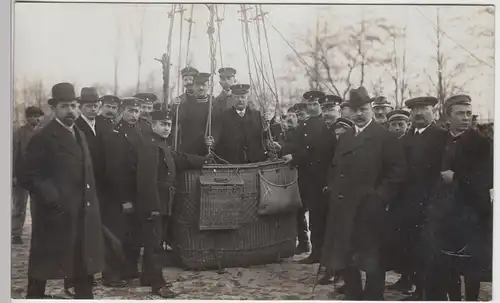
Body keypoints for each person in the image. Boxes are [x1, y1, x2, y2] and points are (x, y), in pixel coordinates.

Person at [19, 82, 105, 299]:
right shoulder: (43, 136)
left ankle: (85, 296)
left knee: (83, 262)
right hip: (55, 214)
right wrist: (54, 197)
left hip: (82, 212)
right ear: (54, 108)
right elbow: (28, 175)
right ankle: (34, 297)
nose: (71, 111)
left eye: (74, 106)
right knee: (43, 264)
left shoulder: (79, 134)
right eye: (65, 106)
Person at [320, 87, 406, 300]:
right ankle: (353, 293)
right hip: (344, 207)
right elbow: (335, 166)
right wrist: (333, 188)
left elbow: (397, 172)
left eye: (364, 109)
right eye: (355, 110)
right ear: (349, 111)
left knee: (371, 256)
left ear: (371, 110)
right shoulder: (345, 137)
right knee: (347, 254)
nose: (359, 114)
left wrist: (379, 198)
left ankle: (374, 295)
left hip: (370, 209)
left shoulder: (384, 137)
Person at [424, 95, 493, 301]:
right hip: (443, 212)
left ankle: (471, 299)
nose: (465, 118)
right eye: (460, 113)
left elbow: (487, 178)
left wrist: (457, 178)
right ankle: (453, 298)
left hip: (470, 212)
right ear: (448, 116)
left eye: (468, 113)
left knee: (471, 265)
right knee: (447, 262)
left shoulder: (482, 143)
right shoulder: (439, 140)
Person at [385, 97, 447, 299]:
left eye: (424, 109)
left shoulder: (441, 136)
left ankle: (431, 293)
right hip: (407, 203)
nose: (419, 113)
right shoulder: (407, 137)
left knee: (429, 251)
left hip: (431, 203)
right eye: (415, 110)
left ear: (433, 112)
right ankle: (417, 289)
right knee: (411, 247)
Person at [283, 90, 336, 265]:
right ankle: (315, 251)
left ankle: (320, 253)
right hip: (306, 176)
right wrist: (282, 148)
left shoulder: (324, 125)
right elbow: (297, 145)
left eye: (316, 105)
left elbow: (315, 150)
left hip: (320, 177)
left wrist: (295, 157)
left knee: (319, 216)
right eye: (310, 105)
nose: (313, 108)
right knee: (312, 215)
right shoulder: (305, 125)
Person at [101, 97, 145, 287]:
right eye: (130, 111)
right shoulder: (115, 135)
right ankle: (111, 275)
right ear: (121, 111)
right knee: (117, 235)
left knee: (133, 233)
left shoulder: (140, 132)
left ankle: (130, 269)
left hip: (137, 192)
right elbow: (115, 171)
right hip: (120, 194)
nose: (134, 115)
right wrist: (125, 199)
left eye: (137, 111)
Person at [210, 84, 276, 164]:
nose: (240, 100)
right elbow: (217, 138)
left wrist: (265, 129)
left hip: (254, 162)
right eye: (237, 97)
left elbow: (262, 139)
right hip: (232, 163)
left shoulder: (256, 115)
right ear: (232, 98)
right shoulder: (224, 116)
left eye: (242, 97)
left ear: (247, 98)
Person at [12, 105, 44, 245]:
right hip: (21, 175)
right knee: (20, 205)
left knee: (37, 205)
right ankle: (16, 233)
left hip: (36, 176)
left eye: (39, 116)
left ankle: (38, 232)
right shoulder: (20, 132)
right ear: (28, 118)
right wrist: (13, 175)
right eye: (34, 116)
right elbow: (14, 154)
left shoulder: (42, 132)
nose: (37, 119)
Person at [172, 72, 218, 156]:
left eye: (204, 85)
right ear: (193, 87)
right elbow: (176, 122)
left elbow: (218, 125)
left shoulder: (214, 103)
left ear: (209, 86)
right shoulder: (184, 104)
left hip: (208, 151)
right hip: (189, 151)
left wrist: (213, 139)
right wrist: (174, 108)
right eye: (197, 85)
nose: (201, 88)